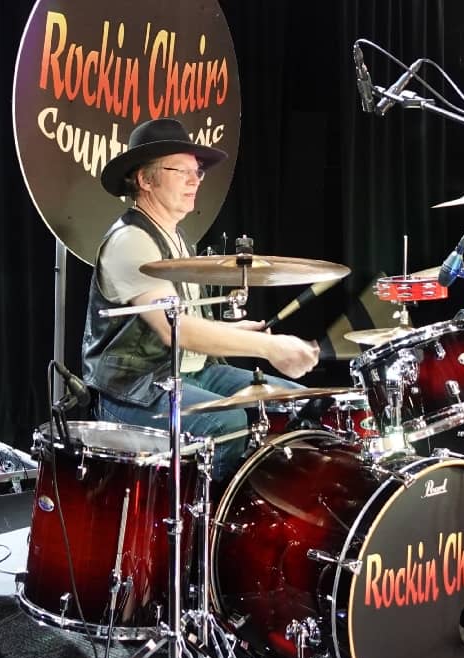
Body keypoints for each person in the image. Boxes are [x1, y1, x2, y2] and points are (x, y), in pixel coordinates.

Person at [82, 117, 320, 481]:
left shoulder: (177, 241)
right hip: (136, 391)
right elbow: (176, 330)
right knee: (227, 422)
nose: (195, 180)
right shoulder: (131, 240)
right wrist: (266, 347)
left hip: (194, 373)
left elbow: (186, 327)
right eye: (182, 171)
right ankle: (211, 532)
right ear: (145, 180)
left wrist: (231, 331)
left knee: (301, 402)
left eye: (197, 172)